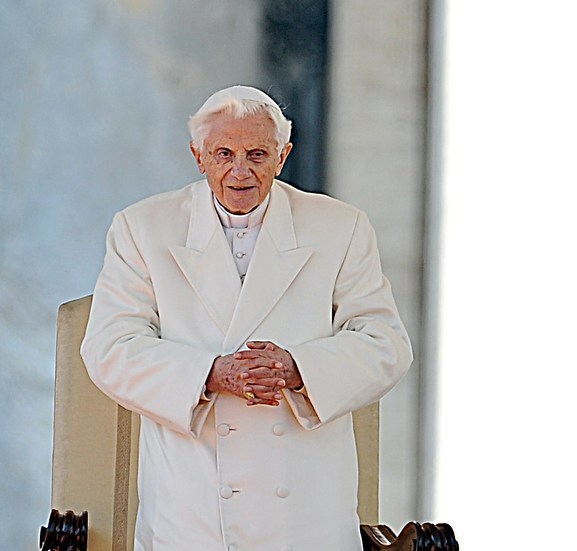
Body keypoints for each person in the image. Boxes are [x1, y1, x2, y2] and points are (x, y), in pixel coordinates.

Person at [81, 85, 413, 550]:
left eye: (257, 154)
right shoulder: (141, 228)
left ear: (283, 157)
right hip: (189, 506)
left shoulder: (342, 227)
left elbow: (386, 344)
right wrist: (212, 374)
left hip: (307, 512)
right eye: (224, 154)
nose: (240, 171)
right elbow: (108, 349)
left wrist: (297, 369)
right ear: (198, 156)